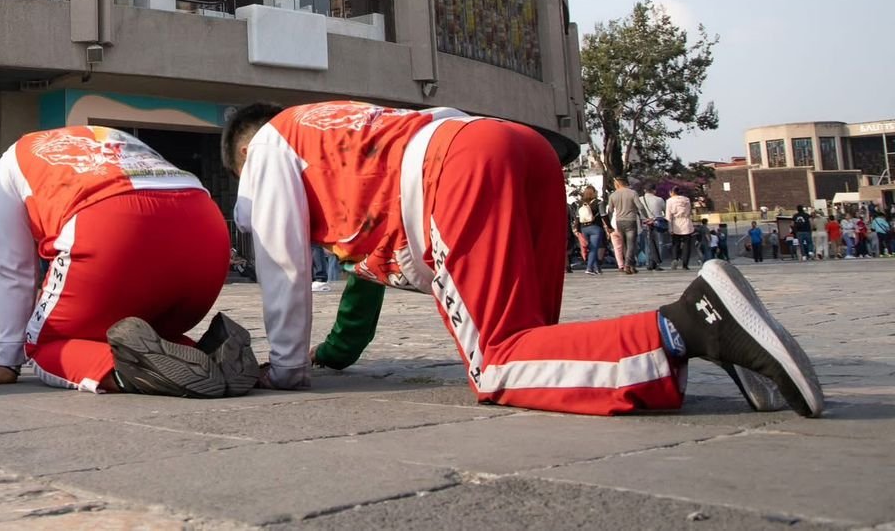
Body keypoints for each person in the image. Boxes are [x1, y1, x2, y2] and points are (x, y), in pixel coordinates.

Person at [224, 101, 824, 417]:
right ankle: (742, 349)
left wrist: (286, 367)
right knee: (535, 340)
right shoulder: (330, 131)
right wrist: (335, 354)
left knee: (500, 365)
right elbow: (363, 270)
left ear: (245, 155)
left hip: (455, 175)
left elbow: (281, 263)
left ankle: (690, 325)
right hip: (514, 147)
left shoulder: (271, 146)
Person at [0, 125, 256, 397]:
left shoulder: (12, 159)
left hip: (113, 230)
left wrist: (8, 360)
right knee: (149, 334)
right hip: (206, 230)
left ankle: (134, 374)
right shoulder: (108, 134)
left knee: (44, 346)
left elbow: (15, 268)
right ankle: (211, 357)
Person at [608, 177, 644, 275]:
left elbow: (610, 210)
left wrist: (608, 224)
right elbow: (640, 206)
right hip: (630, 220)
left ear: (617, 184)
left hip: (619, 221)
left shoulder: (613, 195)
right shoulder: (632, 193)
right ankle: (628, 265)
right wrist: (645, 216)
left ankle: (630, 266)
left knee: (624, 245)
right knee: (631, 244)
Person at [575, 185, 606, 276]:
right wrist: (608, 226)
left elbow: (577, 217)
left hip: (584, 228)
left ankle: (597, 268)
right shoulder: (598, 202)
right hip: (596, 227)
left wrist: (577, 229)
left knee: (591, 248)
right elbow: (603, 215)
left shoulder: (580, 203)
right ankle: (589, 268)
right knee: (594, 248)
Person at [639, 185, 668, 271]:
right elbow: (665, 211)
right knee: (659, 243)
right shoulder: (659, 200)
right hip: (657, 223)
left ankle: (649, 263)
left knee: (647, 244)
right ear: (654, 191)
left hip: (644, 223)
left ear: (645, 190)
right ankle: (658, 263)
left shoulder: (640, 199)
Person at [666, 186, 694, 269]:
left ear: (672, 192)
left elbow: (668, 215)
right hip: (686, 222)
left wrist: (669, 227)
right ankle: (685, 264)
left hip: (675, 223)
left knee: (675, 243)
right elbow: (689, 211)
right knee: (687, 245)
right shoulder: (687, 200)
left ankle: (675, 258)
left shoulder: (670, 201)